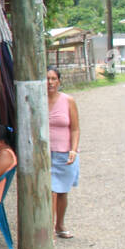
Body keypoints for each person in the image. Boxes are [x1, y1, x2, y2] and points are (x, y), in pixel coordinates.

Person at [47, 67, 80, 238]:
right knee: (51, 190)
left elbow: (75, 129)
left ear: (59, 81)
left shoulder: (68, 101)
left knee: (62, 192)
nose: (50, 82)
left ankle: (60, 224)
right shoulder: (39, 100)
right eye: (47, 79)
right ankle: (50, 228)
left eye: (53, 79)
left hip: (64, 152)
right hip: (45, 154)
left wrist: (73, 150)